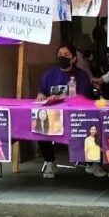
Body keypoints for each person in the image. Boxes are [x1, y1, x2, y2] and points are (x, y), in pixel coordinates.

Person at [36, 44, 91, 179]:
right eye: (60, 54)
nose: (62, 57)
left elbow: (84, 96)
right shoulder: (49, 74)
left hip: (76, 116)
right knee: (40, 124)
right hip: (53, 115)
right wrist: (41, 95)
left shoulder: (81, 75)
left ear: (73, 59)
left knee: (91, 126)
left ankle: (92, 163)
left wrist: (63, 97)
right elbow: (41, 92)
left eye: (66, 55)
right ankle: (49, 162)